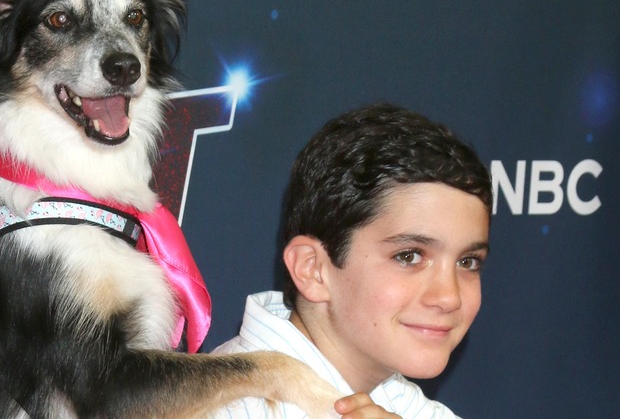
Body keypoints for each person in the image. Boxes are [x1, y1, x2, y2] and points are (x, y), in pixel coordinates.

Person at [210, 103, 493, 418]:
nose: (449, 297)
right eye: (409, 256)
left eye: (468, 262)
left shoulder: (404, 403)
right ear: (313, 270)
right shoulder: (218, 410)